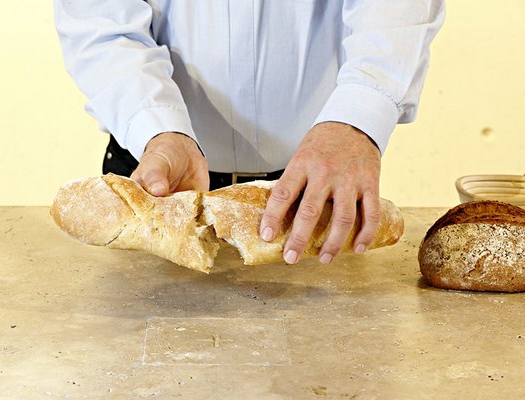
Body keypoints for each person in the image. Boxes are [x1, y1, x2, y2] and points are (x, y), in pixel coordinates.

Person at [54, 1, 444, 265]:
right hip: (158, 177)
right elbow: (101, 25)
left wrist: (359, 117)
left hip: (320, 180)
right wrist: (157, 128)